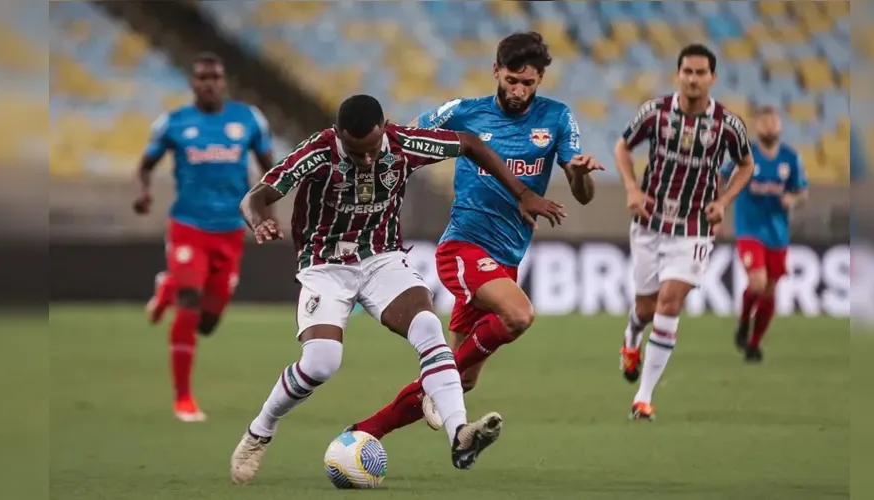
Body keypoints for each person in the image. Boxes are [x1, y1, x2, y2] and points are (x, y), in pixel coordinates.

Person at [229, 94, 568, 484]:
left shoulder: (404, 142)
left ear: (384, 129)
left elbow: (470, 143)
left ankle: (460, 432)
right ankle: (260, 431)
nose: (368, 160)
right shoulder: (318, 151)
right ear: (338, 135)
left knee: (429, 330)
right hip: (326, 266)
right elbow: (256, 195)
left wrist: (522, 193)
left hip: (381, 259)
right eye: (357, 153)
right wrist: (258, 222)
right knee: (322, 361)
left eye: (373, 149)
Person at [347, 31, 603, 438]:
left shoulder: (557, 118)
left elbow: (583, 196)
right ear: (496, 71)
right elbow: (409, 137)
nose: (519, 91)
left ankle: (364, 432)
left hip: (507, 256)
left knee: (460, 380)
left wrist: (580, 174)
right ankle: (424, 398)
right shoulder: (465, 112)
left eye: (528, 83)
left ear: (540, 80)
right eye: (511, 80)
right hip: (464, 242)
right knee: (519, 315)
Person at [613, 44, 755, 421]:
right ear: (678, 74)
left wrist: (724, 202)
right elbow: (622, 147)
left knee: (670, 300)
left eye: (701, 73)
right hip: (650, 221)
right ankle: (631, 338)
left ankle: (643, 397)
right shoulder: (655, 112)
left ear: (713, 78)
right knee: (645, 308)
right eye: (687, 72)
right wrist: (631, 187)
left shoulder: (727, 124)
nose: (693, 79)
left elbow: (746, 164)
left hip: (695, 226)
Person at [132, 52, 275, 422]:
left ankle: (167, 286)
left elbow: (270, 168)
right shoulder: (174, 123)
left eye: (215, 77)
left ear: (223, 81)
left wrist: (268, 214)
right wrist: (144, 193)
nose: (209, 84)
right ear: (192, 83)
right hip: (188, 227)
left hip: (229, 230)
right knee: (190, 299)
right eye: (201, 78)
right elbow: (146, 165)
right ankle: (184, 399)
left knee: (208, 324)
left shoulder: (248, 119)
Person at [721, 106, 808, 362]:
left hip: (778, 235)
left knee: (769, 291)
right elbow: (722, 177)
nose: (769, 126)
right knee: (757, 283)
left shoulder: (791, 158)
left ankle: (754, 344)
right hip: (749, 230)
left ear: (780, 125)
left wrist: (792, 199)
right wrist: (719, 209)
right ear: (757, 126)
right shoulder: (746, 155)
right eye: (764, 122)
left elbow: (802, 191)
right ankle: (743, 321)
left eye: (773, 121)